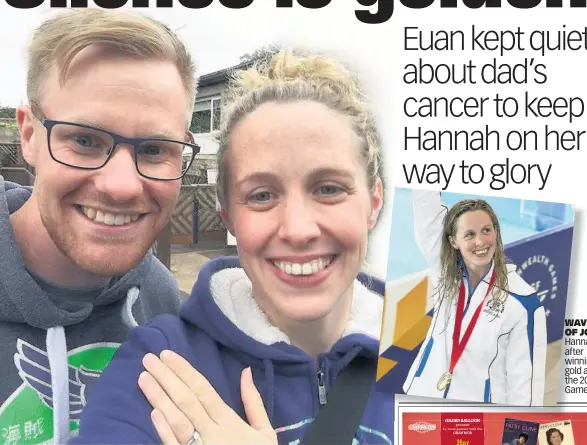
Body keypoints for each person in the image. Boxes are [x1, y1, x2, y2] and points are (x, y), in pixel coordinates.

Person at [70, 49, 394, 445]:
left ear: (374, 202)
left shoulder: (441, 351)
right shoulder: (164, 363)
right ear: (227, 216)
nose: (297, 230)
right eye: (261, 195)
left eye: (328, 189)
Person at [0, 9, 199, 445]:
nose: (123, 186)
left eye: (153, 149)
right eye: (85, 140)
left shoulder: (160, 299)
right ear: (29, 136)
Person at [402, 190, 547, 405]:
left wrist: (519, 436)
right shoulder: (446, 271)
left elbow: (526, 384)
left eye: (486, 230)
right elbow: (425, 206)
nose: (480, 241)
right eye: (469, 234)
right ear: (453, 241)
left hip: (474, 423)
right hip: (421, 404)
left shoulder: (522, 301)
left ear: (496, 233)